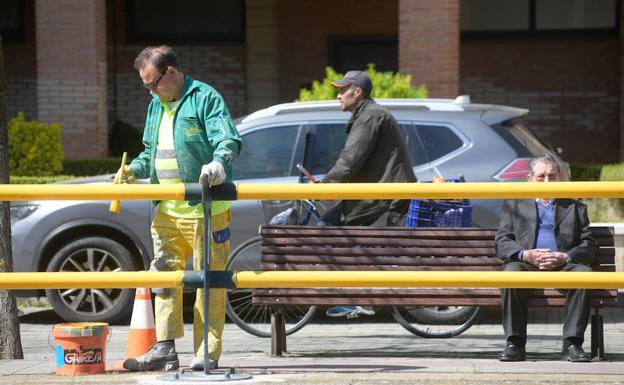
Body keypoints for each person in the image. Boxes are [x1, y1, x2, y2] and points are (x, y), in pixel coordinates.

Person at [119, 46, 241, 371]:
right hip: (167, 212)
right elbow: (150, 152)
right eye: (145, 85)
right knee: (163, 277)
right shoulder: (155, 106)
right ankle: (164, 348)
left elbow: (227, 139)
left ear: (171, 72)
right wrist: (133, 169)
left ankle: (206, 353)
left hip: (206, 212)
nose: (150, 90)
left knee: (210, 283)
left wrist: (218, 164)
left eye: (153, 83)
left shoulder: (205, 98)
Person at [320, 70, 416, 318]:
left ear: (357, 92)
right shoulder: (368, 114)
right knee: (345, 234)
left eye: (342, 90)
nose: (338, 95)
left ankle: (355, 297)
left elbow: (351, 159)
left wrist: (325, 185)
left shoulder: (370, 116)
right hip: (379, 193)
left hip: (382, 196)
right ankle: (359, 293)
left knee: (326, 228)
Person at [495, 154, 596, 362]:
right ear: (529, 178)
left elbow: (589, 243)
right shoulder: (514, 205)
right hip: (527, 264)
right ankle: (515, 344)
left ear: (559, 177)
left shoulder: (575, 207)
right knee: (510, 273)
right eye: (541, 177)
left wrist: (566, 257)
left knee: (585, 275)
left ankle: (572, 344)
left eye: (552, 175)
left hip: (563, 265)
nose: (547, 181)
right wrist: (526, 255)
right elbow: (502, 241)